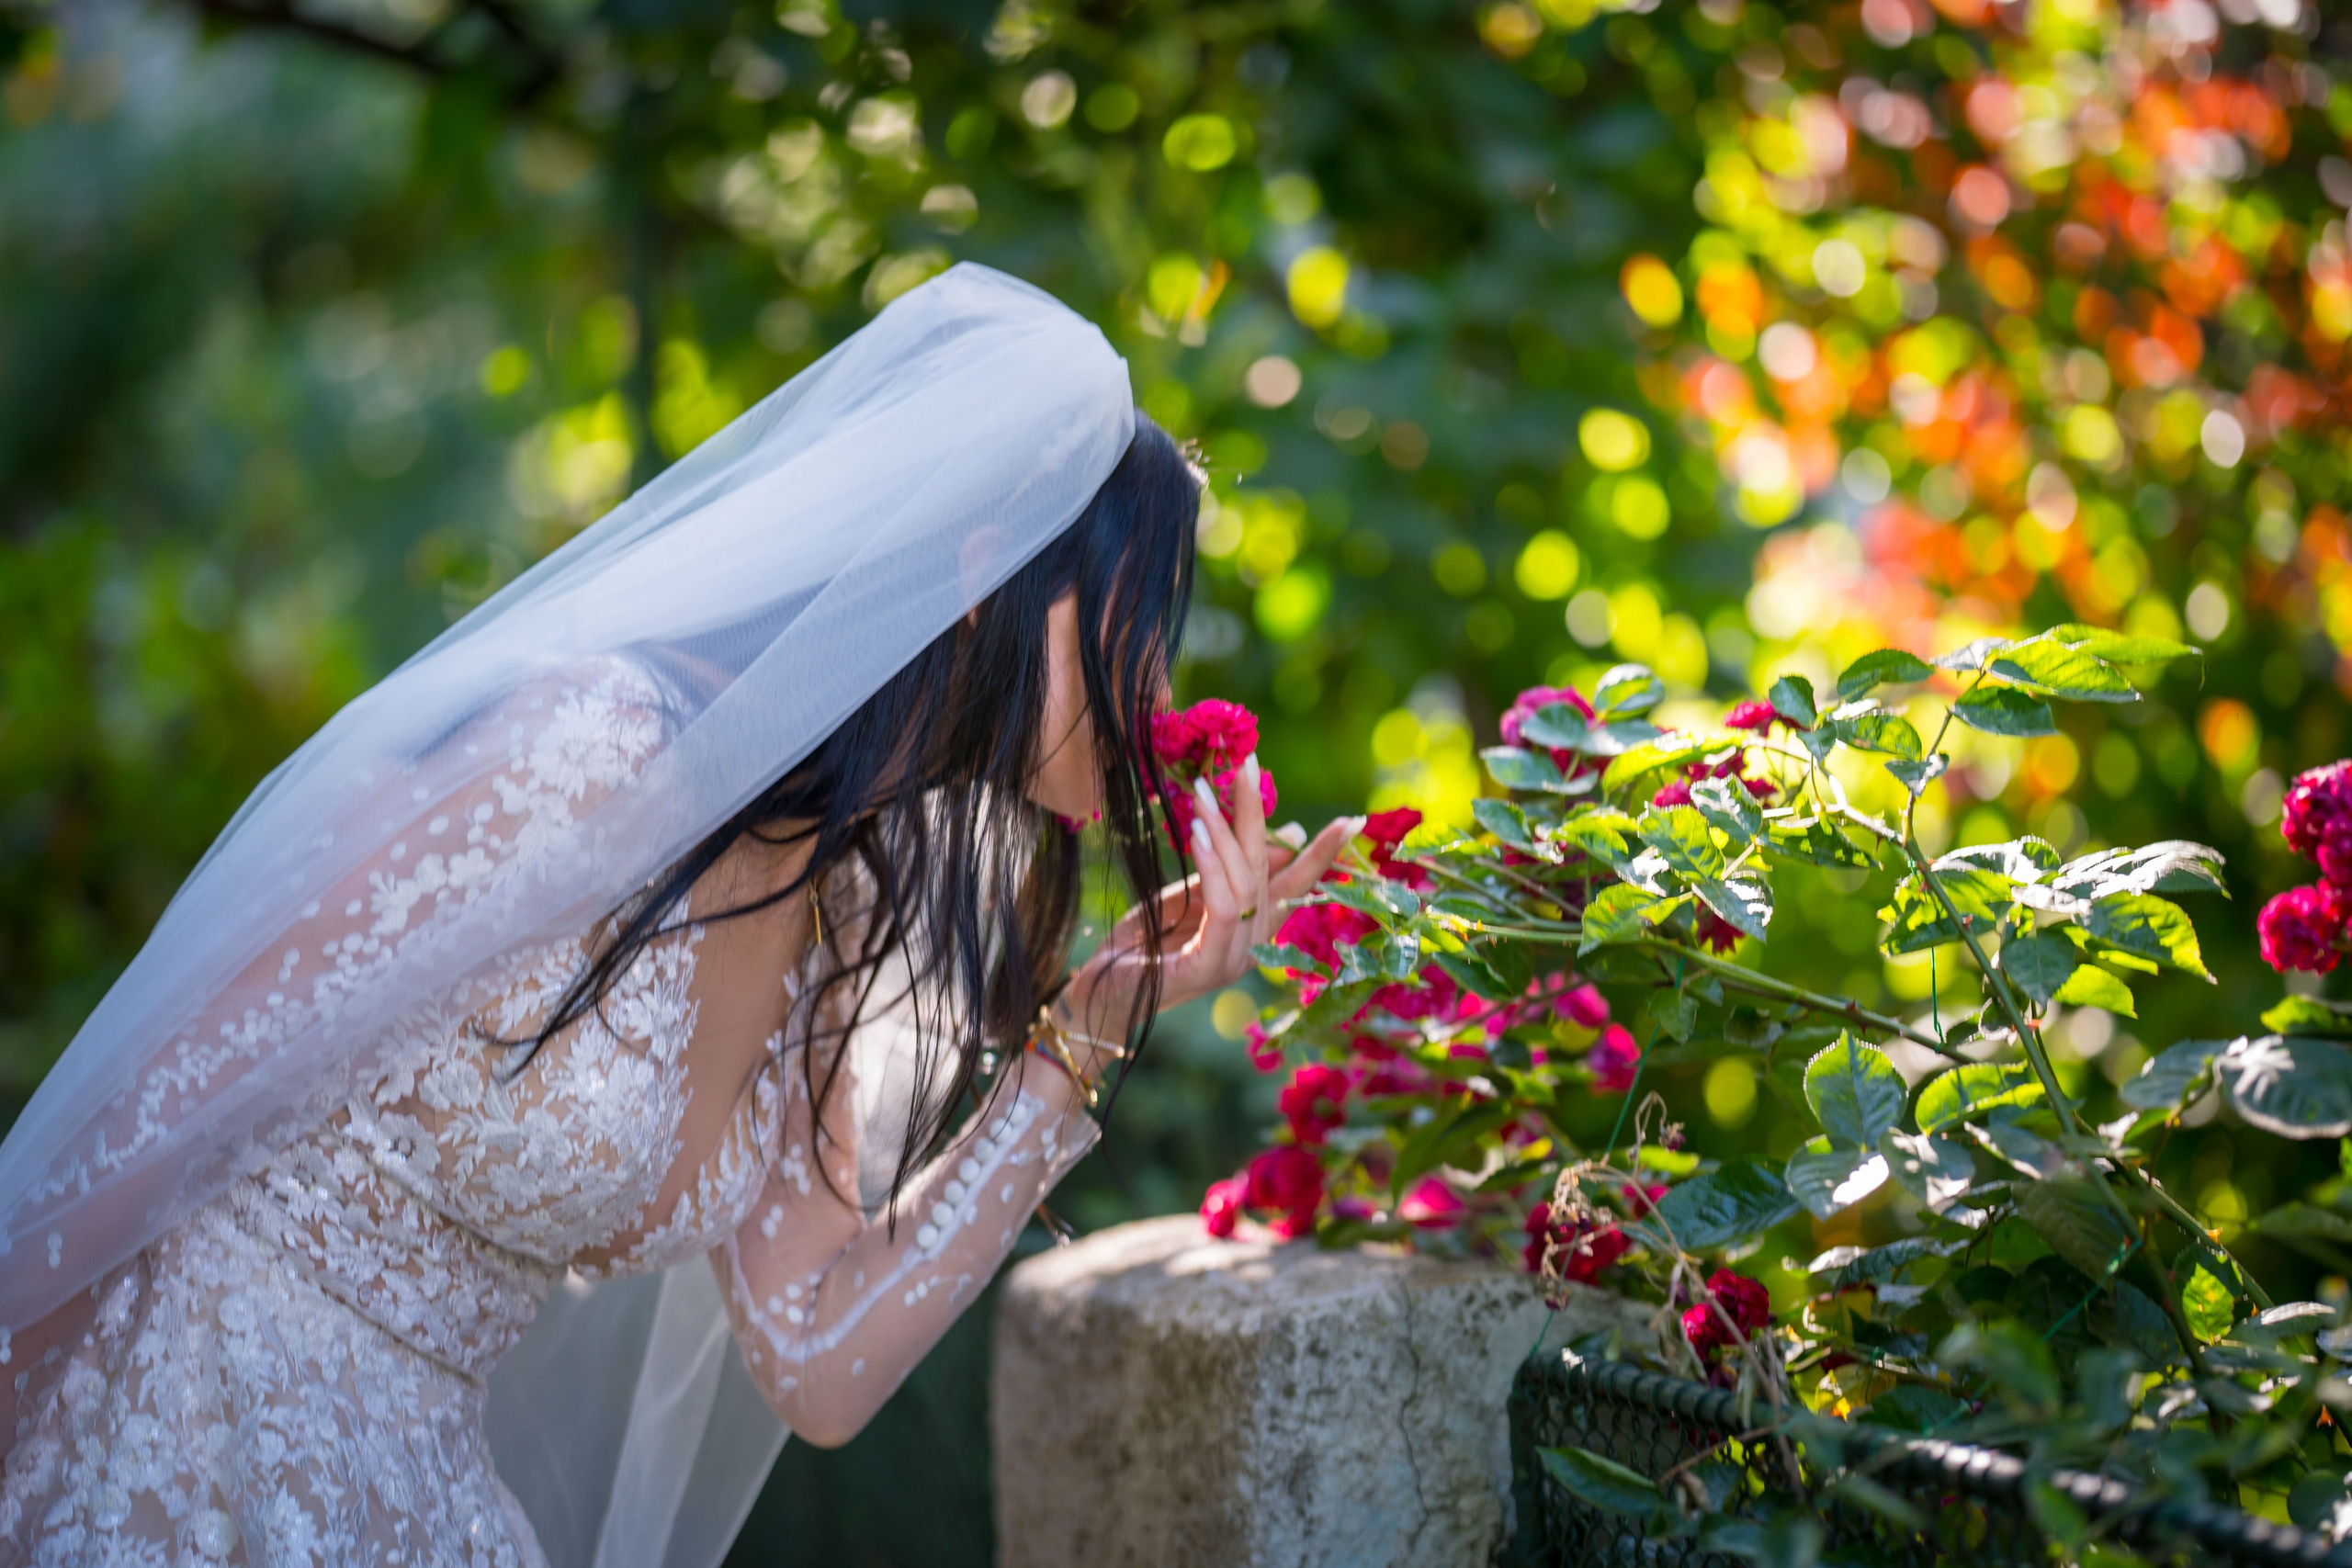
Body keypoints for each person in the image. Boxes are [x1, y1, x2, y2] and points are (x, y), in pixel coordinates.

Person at [0, 264, 1354, 1567]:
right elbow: (149, 1116)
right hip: (180, 1421)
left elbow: (814, 1363)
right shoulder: (586, 750)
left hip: (408, 1480)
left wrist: (1092, 1027)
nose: (1158, 684)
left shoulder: (850, 897)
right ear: (989, 568)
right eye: (1140, 622)